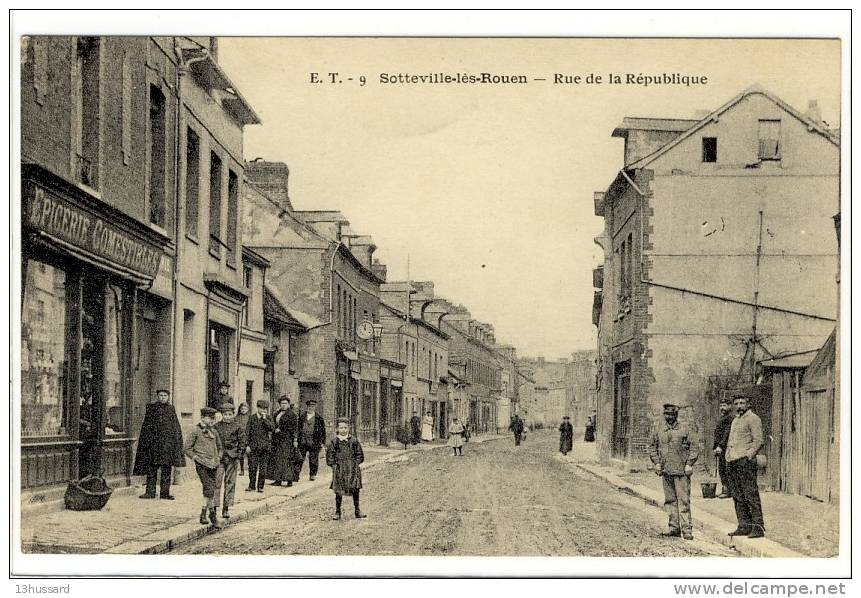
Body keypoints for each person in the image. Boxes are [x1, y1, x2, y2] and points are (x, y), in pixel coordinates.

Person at [648, 403, 699, 540]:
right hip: (666, 470)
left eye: (671, 414)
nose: (668, 417)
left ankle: (687, 530)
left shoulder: (685, 429)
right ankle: (674, 527)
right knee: (670, 500)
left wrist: (689, 463)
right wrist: (657, 463)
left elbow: (694, 446)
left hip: (682, 471)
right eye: (666, 414)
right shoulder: (659, 429)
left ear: (675, 415)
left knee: (683, 501)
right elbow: (652, 446)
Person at [725, 394, 766, 538]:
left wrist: (748, 456)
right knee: (737, 495)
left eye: (742, 403)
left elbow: (759, 441)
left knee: (750, 494)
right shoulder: (736, 420)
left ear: (747, 404)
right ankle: (744, 526)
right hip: (733, 461)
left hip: (745, 462)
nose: (739, 405)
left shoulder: (753, 418)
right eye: (736, 403)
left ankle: (758, 527)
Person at [133, 389, 185, 500]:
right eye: (160, 395)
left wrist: (175, 444)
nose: (162, 397)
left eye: (165, 395)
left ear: (168, 397)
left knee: (166, 469)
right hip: (154, 445)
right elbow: (146, 426)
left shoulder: (171, 409)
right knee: (152, 469)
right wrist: (148, 442)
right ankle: (150, 492)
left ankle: (165, 493)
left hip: (167, 445)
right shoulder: (151, 408)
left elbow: (175, 428)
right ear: (157, 396)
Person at [184, 407, 224, 526]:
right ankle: (212, 515)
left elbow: (220, 447)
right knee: (209, 488)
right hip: (202, 465)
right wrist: (195, 458)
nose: (212, 420)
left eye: (213, 418)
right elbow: (186, 448)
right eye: (210, 418)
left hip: (214, 465)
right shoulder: (195, 431)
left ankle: (203, 514)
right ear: (202, 417)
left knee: (208, 490)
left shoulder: (214, 432)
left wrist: (218, 457)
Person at [326, 418, 366, 520]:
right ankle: (338, 512)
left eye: (345, 428)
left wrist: (355, 464)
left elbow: (360, 455)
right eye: (341, 428)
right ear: (337, 429)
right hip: (339, 469)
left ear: (349, 428)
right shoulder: (334, 442)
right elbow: (330, 456)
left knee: (355, 489)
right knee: (338, 491)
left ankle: (357, 510)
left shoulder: (354, 441)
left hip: (352, 469)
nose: (343, 430)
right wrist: (334, 465)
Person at [214, 402, 246, 519]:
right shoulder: (216, 427)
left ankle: (226, 507)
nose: (227, 417)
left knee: (230, 483)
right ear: (222, 415)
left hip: (232, 458)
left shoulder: (238, 426)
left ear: (233, 414)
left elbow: (242, 442)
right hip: (219, 459)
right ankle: (214, 507)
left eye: (229, 414)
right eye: (225, 414)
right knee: (216, 482)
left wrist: (238, 454)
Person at [246, 399, 274, 493]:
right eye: (261, 408)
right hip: (253, 446)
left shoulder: (268, 418)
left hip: (265, 447)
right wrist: (247, 445)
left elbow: (271, 428)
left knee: (263, 468)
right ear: (257, 408)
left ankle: (260, 486)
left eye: (265, 409)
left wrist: (264, 419)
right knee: (252, 467)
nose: (263, 410)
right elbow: (247, 432)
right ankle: (252, 485)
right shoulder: (252, 418)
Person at [269, 395, 298, 487]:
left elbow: (293, 427)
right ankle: (278, 479)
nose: (284, 405)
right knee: (277, 459)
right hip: (277, 440)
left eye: (285, 403)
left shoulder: (292, 414)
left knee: (287, 459)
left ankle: (289, 480)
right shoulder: (277, 413)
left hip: (287, 439)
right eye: (282, 403)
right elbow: (273, 423)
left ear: (288, 404)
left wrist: (281, 430)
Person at [296, 398, 327, 481]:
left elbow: (322, 431)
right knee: (299, 458)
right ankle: (296, 474)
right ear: (307, 407)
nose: (311, 408)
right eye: (309, 406)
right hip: (302, 441)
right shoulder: (302, 417)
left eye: (313, 406)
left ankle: (312, 474)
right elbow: (298, 428)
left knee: (313, 459)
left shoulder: (319, 418)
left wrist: (322, 442)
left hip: (314, 441)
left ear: (315, 407)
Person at [712, 396, 735, 499]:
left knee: (725, 469)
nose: (722, 407)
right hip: (721, 448)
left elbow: (727, 433)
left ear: (730, 406)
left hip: (726, 448)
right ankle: (726, 489)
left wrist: (720, 446)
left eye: (724, 405)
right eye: (721, 405)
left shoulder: (730, 418)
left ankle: (727, 490)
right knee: (722, 468)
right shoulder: (723, 417)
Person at [235, 401, 250, 476]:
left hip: (247, 437)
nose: (243, 410)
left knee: (249, 454)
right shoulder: (236, 418)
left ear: (247, 409)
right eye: (242, 409)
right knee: (240, 454)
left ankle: (250, 468)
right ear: (240, 409)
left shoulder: (249, 417)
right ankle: (242, 469)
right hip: (239, 438)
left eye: (245, 409)